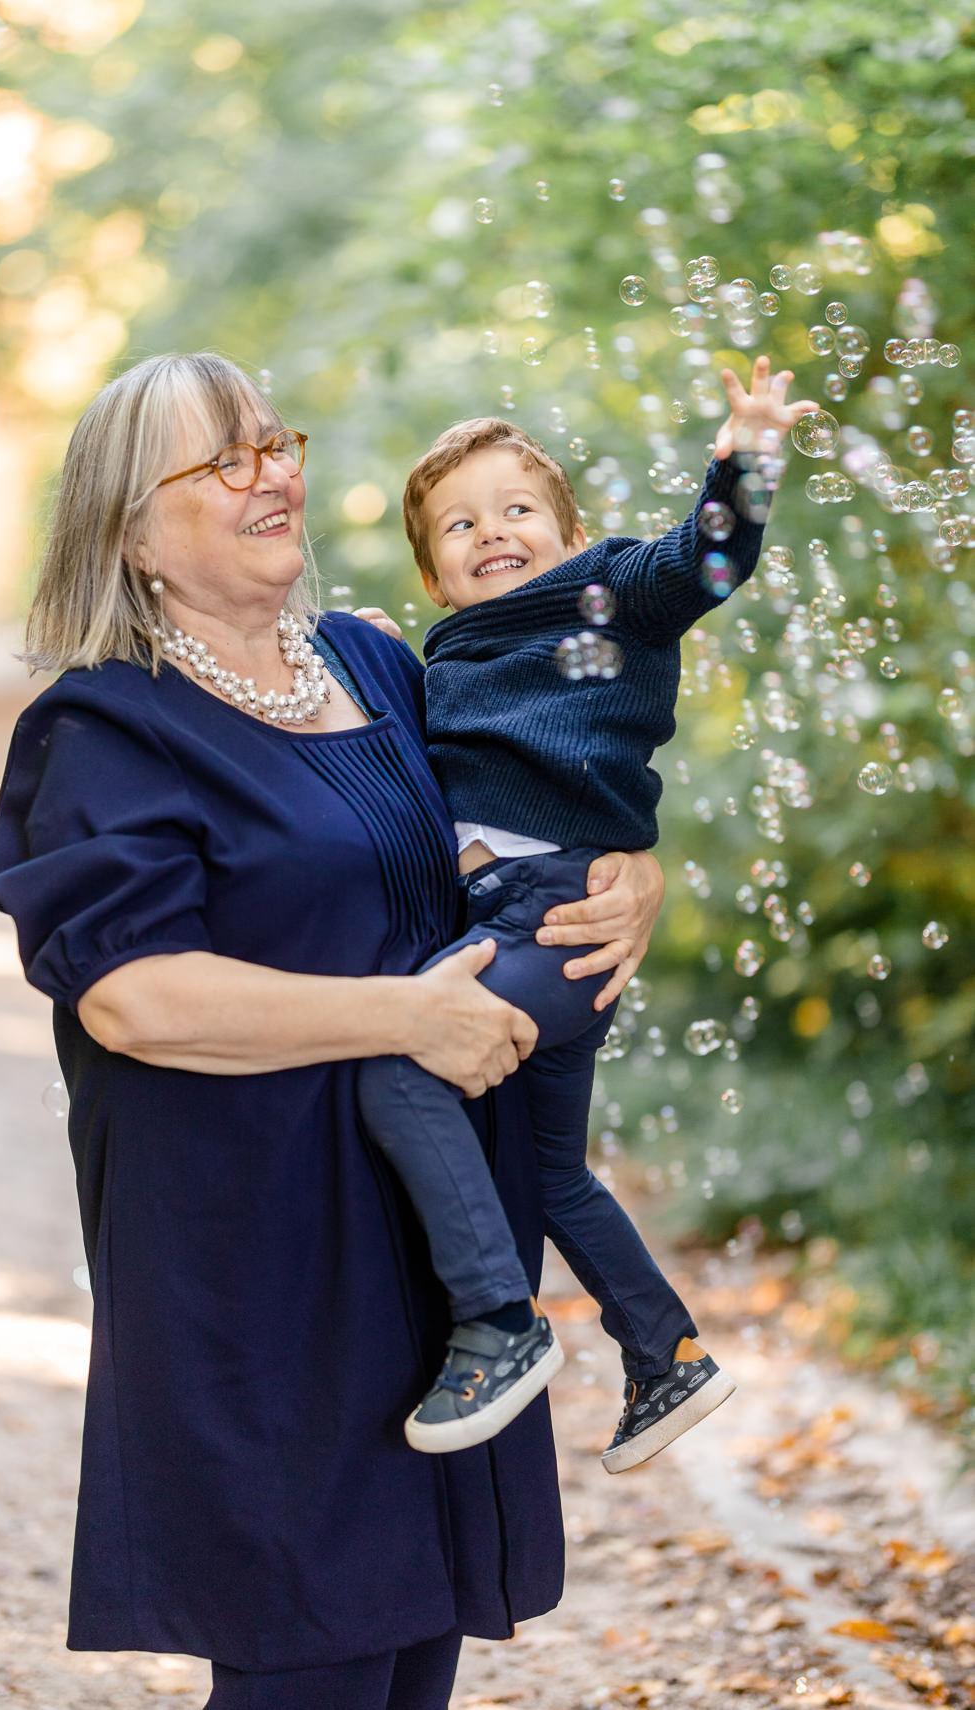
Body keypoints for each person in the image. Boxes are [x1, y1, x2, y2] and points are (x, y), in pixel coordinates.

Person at [0, 351, 668, 1710]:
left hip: (438, 1240)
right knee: (310, 1651)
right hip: (262, 1248)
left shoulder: (374, 660)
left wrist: (631, 869)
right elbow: (132, 995)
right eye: (224, 458)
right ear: (131, 528)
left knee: (414, 1641)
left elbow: (529, 794)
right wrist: (405, 1015)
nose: (274, 472)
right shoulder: (105, 726)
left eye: (275, 440)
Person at [353, 357, 817, 1471]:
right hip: (506, 921)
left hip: (554, 917)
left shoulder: (609, 592)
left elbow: (705, 562)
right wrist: (360, 643)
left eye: (518, 509)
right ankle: (667, 1359)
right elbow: (399, 748)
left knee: (401, 1065)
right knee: (551, 1172)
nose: (492, 531)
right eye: (459, 526)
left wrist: (743, 461)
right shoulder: (448, 651)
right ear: (434, 578)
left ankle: (500, 1327)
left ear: (569, 536)